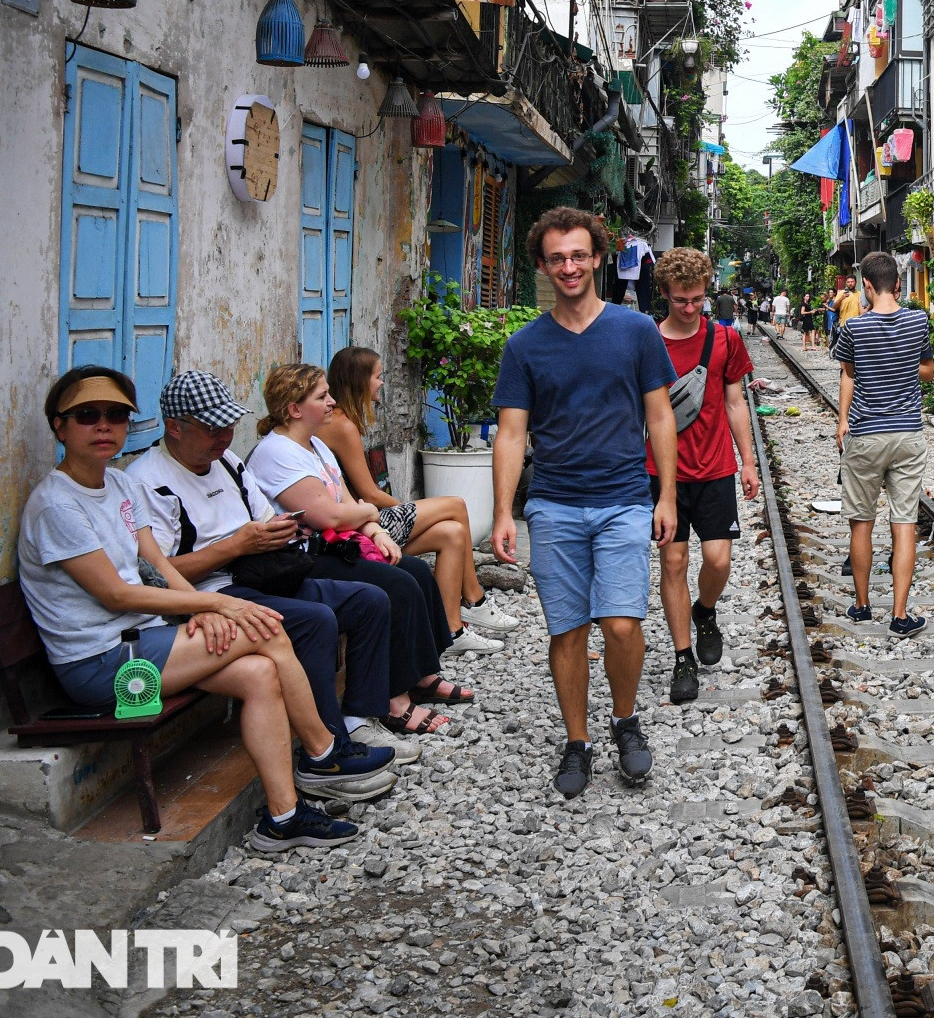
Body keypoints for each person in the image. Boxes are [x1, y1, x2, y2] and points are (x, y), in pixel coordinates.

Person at [19, 368, 391, 850]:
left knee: (259, 673)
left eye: (117, 415)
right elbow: (117, 595)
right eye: (88, 415)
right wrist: (214, 602)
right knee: (268, 628)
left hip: (146, 638)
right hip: (99, 660)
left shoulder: (119, 486)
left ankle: (283, 818)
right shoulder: (57, 504)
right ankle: (323, 754)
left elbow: (156, 565)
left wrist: (198, 613)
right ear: (59, 426)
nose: (105, 425)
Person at [128, 370, 422, 762]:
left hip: (263, 572)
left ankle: (358, 718)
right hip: (212, 593)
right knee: (316, 620)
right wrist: (235, 546)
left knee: (370, 600)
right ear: (174, 428)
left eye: (229, 425)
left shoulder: (227, 461)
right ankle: (329, 749)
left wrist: (280, 531)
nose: (225, 436)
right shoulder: (147, 481)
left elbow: (267, 519)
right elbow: (159, 572)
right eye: (212, 428)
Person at [491, 206, 679, 798]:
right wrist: (503, 512)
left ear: (598, 257)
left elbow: (659, 416)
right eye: (557, 259)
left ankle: (625, 720)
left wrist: (667, 495)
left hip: (624, 498)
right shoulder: (525, 345)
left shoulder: (635, 331)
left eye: (578, 255)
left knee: (621, 625)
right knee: (568, 630)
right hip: (554, 505)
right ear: (543, 266)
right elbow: (511, 434)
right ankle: (578, 741)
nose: (569, 267)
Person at [246, 364, 477, 723]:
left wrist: (377, 532)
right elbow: (330, 517)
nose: (331, 401)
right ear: (294, 409)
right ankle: (394, 699)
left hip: (336, 545)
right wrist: (369, 512)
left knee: (414, 570)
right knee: (396, 585)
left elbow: (347, 503)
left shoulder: (315, 445)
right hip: (298, 560)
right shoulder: (276, 452)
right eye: (322, 396)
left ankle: (420, 675)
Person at [318, 345, 521, 646]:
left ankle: (451, 632)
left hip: (359, 521)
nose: (382, 383)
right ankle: (475, 600)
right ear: (360, 380)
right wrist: (410, 508)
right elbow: (369, 493)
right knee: (455, 505)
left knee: (452, 532)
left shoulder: (342, 421)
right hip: (358, 527)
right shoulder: (343, 425)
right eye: (378, 376)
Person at [650, 248, 760, 705]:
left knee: (717, 561)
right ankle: (683, 659)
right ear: (664, 294)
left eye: (698, 299)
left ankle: (705, 610)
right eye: (681, 300)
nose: (690, 307)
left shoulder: (725, 340)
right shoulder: (648, 341)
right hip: (663, 473)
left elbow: (735, 402)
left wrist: (748, 461)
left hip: (715, 468)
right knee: (673, 563)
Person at [834, 250, 934, 636]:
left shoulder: (853, 329)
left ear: (866, 286)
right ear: (897, 284)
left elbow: (849, 374)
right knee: (904, 522)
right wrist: (904, 364)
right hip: (907, 435)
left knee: (861, 523)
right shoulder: (918, 321)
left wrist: (843, 421)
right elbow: (928, 372)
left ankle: (862, 607)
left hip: (865, 436)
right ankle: (900, 616)